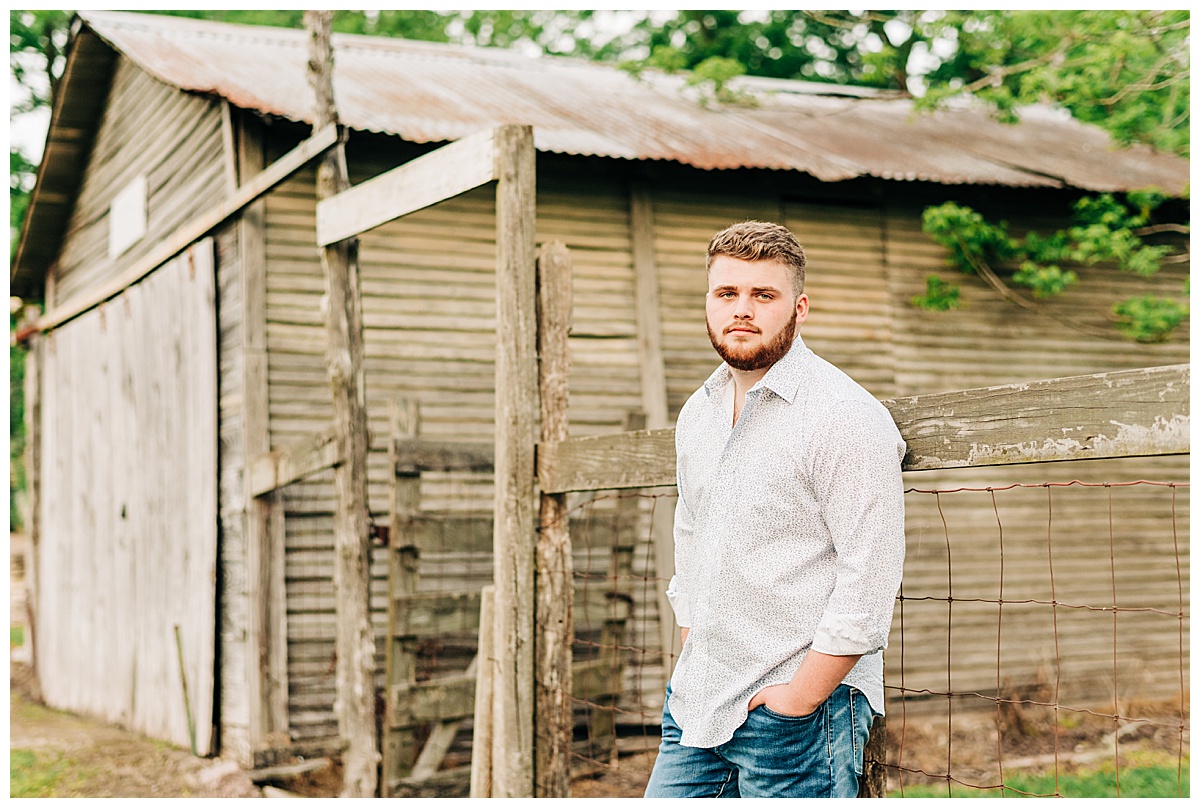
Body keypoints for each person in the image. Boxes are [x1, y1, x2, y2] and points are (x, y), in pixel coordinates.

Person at [643, 221, 906, 798]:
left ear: (799, 307)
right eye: (727, 294)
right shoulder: (700, 412)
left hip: (794, 714)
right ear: (709, 303)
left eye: (764, 295)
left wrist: (799, 699)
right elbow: (690, 537)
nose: (743, 309)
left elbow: (871, 572)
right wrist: (694, 643)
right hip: (696, 698)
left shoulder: (843, 416)